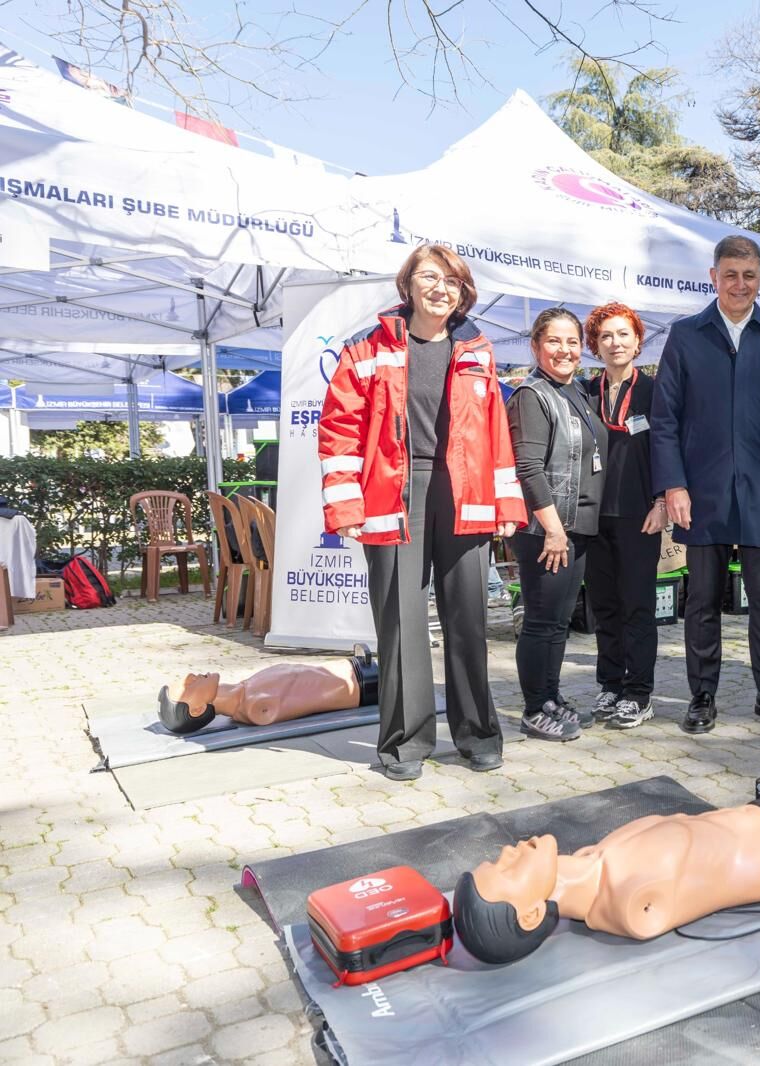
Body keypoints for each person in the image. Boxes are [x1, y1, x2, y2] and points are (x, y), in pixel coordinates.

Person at [320, 245, 525, 781]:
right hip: (393, 496)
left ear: (463, 292)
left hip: (465, 494)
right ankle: (405, 745)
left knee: (468, 622)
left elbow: (494, 431)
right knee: (401, 625)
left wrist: (507, 502)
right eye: (429, 277)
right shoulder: (368, 348)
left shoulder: (477, 349)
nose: (441, 288)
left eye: (452, 280)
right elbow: (339, 428)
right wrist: (345, 502)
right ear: (407, 285)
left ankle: (478, 734)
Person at [652, 236, 760, 733]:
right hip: (701, 495)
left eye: (749, 275)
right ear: (713, 276)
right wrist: (673, 485)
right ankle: (702, 697)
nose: (739, 284)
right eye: (730, 274)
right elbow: (664, 421)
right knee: (701, 600)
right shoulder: (684, 336)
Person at [452, 777, 760, 963]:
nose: (506, 851)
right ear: (532, 914)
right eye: (506, 870)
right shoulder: (632, 905)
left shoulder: (593, 860)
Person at [506, 308, 607, 742]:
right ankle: (534, 709)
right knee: (541, 621)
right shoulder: (532, 395)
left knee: (558, 621)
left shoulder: (575, 392)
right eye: (554, 341)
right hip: (549, 531)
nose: (564, 350)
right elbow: (528, 467)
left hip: (574, 528)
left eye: (571, 342)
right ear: (535, 346)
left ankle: (551, 697)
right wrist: (552, 528)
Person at [583, 303, 666, 730]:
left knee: (637, 607)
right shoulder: (583, 392)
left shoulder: (654, 392)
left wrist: (662, 502)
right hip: (593, 516)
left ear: (638, 341)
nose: (614, 343)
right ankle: (611, 684)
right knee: (605, 606)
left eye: (622, 334)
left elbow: (669, 450)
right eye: (605, 336)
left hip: (639, 514)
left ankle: (639, 693)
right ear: (595, 346)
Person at [158, 646, 379, 734]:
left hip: (356, 668)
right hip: (363, 681)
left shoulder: (246, 689)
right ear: (197, 709)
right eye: (187, 686)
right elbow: (317, 697)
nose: (189, 676)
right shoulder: (256, 708)